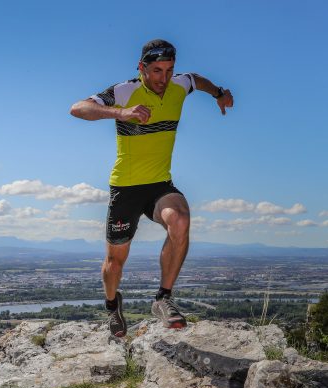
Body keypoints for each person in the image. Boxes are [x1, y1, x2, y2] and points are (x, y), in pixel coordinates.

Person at [69, 39, 233, 337]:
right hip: (126, 187)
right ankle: (112, 306)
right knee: (115, 261)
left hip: (159, 184)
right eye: (157, 70)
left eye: (169, 70)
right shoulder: (124, 91)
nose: (163, 78)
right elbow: (78, 109)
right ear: (141, 67)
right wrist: (121, 113)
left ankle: (163, 298)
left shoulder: (180, 84)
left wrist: (219, 93)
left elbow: (197, 80)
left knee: (180, 219)